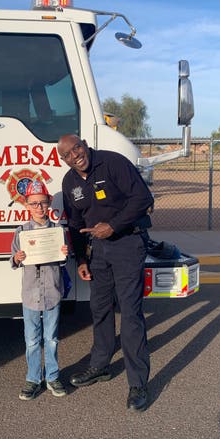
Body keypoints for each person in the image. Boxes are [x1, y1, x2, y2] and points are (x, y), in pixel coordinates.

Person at [56, 134, 154, 412]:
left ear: (85, 144)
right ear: (63, 159)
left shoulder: (113, 163)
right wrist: (81, 259)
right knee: (99, 309)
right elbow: (75, 224)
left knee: (131, 313)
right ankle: (99, 365)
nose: (76, 155)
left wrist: (112, 225)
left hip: (127, 243)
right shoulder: (70, 182)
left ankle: (138, 383)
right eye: (69, 154)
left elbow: (142, 198)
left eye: (78, 147)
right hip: (98, 251)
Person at [10, 180, 71, 400]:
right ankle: (33, 378)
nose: (39, 208)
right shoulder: (21, 232)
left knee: (52, 338)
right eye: (34, 203)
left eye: (43, 203)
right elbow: (14, 260)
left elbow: (63, 262)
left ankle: (53, 376)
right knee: (32, 340)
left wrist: (64, 254)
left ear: (49, 203)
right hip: (30, 295)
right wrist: (17, 258)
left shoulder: (57, 231)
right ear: (26, 205)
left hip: (53, 292)